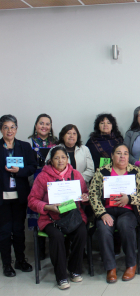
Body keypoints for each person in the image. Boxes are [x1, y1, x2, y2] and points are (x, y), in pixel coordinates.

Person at [28, 145, 89, 289]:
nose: (60, 160)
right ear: (51, 161)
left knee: (81, 232)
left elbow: (84, 194)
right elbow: (32, 200)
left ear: (67, 159)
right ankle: (61, 276)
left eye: (63, 157)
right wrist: (48, 206)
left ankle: (75, 270)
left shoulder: (76, 174)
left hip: (73, 215)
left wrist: (85, 197)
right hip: (50, 218)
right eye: (56, 158)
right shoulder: (43, 177)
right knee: (57, 237)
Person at [89, 144, 140, 283]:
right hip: (107, 211)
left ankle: (131, 264)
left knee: (125, 225)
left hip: (128, 211)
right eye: (119, 153)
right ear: (112, 155)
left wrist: (129, 198)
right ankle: (111, 268)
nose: (122, 156)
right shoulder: (102, 172)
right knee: (104, 229)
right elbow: (93, 195)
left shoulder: (135, 171)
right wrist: (101, 213)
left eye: (125, 153)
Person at [0, 115, 37, 277]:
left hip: (19, 196)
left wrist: (19, 171)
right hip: (2, 198)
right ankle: (7, 264)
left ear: (16, 128)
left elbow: (32, 167)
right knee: (5, 231)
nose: (10, 130)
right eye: (6, 127)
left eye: (12, 127)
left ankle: (21, 260)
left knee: (19, 230)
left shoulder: (24, 146)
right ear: (1, 129)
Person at [26, 113, 58, 259]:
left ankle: (55, 248)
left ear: (51, 127)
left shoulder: (56, 143)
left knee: (53, 212)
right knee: (38, 210)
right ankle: (39, 251)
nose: (44, 126)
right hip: (35, 180)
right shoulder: (29, 143)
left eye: (47, 124)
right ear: (36, 125)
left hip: (53, 181)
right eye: (41, 123)